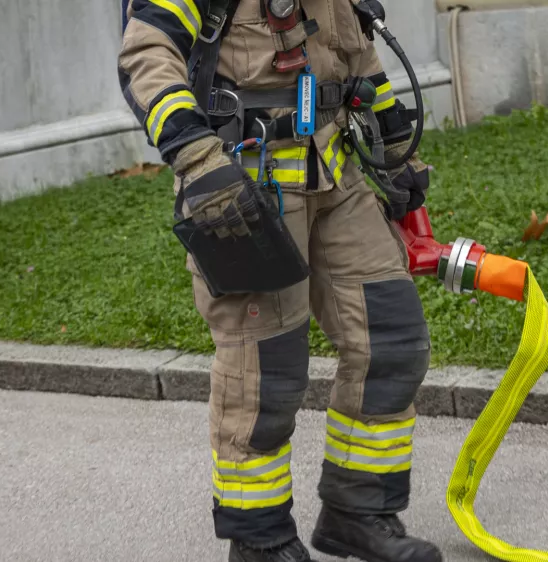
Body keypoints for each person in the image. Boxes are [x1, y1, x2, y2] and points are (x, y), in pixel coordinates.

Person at [117, 1, 440, 562]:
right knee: (263, 370)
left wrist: (393, 149)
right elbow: (147, 53)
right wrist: (197, 161)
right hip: (243, 192)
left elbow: (357, 53)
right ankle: (260, 540)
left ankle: (359, 514)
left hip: (337, 178)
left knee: (390, 337)